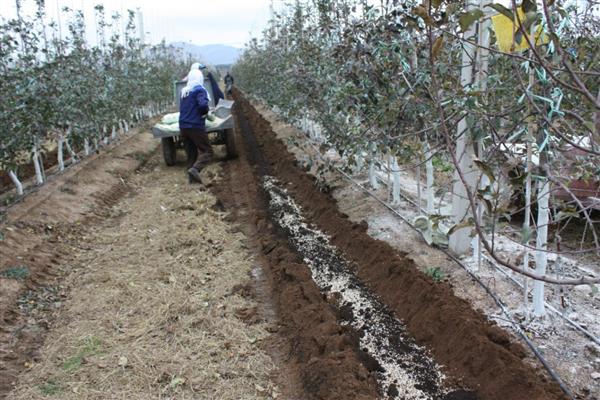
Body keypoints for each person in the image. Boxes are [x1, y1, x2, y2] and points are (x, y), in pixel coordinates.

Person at [179, 69, 212, 185]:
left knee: (191, 153)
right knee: (207, 151)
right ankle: (195, 169)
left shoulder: (185, 91)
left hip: (183, 126)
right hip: (195, 126)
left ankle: (192, 180)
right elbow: (203, 105)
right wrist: (205, 112)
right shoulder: (199, 90)